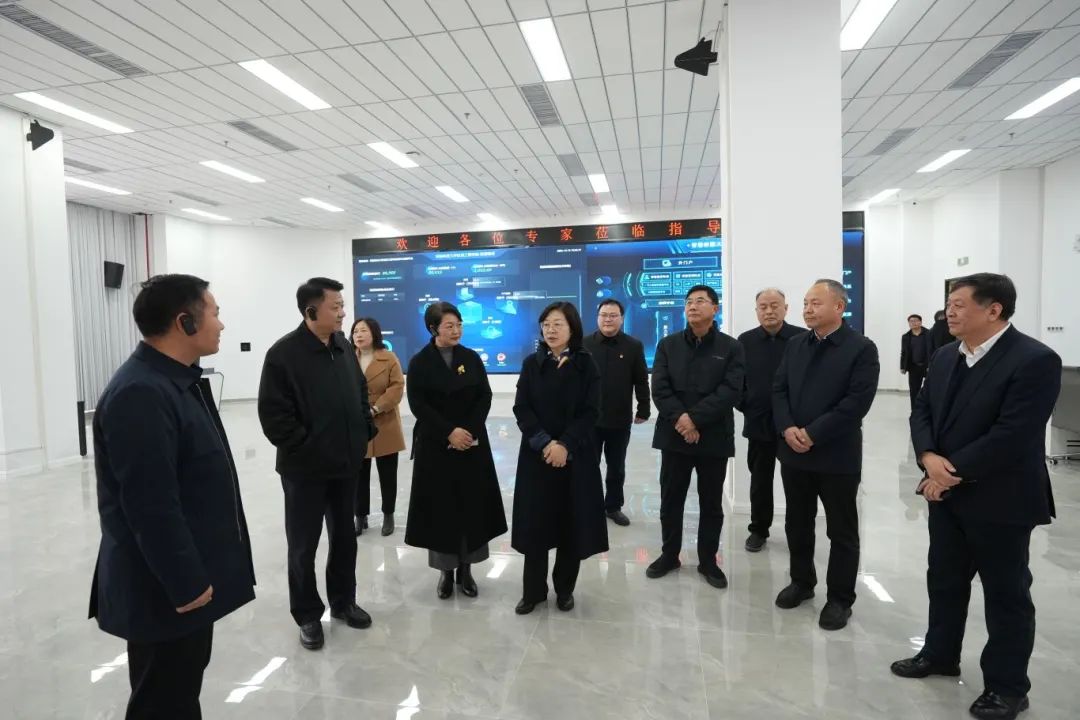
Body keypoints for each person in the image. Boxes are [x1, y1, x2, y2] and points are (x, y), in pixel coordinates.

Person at [891, 274, 1061, 720]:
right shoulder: (946, 355)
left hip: (1001, 498)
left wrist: (948, 473)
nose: (949, 311)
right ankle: (940, 654)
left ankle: (1007, 687)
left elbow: (1013, 434)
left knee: (1006, 594)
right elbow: (922, 410)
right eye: (949, 303)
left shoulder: (1035, 360)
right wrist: (928, 457)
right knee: (945, 580)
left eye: (960, 304)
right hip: (945, 494)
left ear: (994, 310)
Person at [89, 274, 255, 719]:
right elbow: (151, 507)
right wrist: (186, 583)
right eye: (215, 313)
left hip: (181, 581)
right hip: (163, 590)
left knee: (179, 693)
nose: (221, 324)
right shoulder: (141, 393)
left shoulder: (175, 382)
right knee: (162, 701)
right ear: (185, 322)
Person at [258, 277, 373, 651]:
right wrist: (309, 449)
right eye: (335, 307)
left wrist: (364, 430)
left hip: (344, 464)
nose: (343, 314)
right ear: (311, 311)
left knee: (344, 539)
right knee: (303, 546)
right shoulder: (283, 355)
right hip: (304, 471)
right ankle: (307, 614)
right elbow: (274, 417)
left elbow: (359, 391)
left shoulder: (342, 346)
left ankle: (343, 602)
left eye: (342, 306)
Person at [772, 279, 879, 630]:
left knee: (841, 530)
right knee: (797, 522)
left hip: (837, 456)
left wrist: (814, 433)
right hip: (794, 453)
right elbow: (779, 389)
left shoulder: (861, 348)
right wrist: (788, 427)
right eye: (805, 303)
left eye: (815, 303)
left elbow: (856, 403)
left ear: (839, 306)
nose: (807, 309)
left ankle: (840, 599)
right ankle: (802, 582)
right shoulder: (795, 345)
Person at [404, 302, 507, 600]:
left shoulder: (471, 358)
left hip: (471, 445)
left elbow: (484, 396)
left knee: (471, 506)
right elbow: (418, 404)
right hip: (436, 446)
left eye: (459, 325)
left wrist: (468, 431)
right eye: (449, 325)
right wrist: (449, 431)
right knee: (440, 510)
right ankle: (445, 572)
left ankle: (467, 570)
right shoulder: (420, 362)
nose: (456, 330)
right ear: (433, 328)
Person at [646, 285, 745, 589]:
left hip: (713, 436)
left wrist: (695, 419)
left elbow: (731, 390)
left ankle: (708, 560)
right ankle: (669, 555)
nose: (693, 306)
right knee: (670, 499)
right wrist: (681, 419)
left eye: (700, 301)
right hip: (674, 435)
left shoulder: (731, 347)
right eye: (689, 301)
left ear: (715, 308)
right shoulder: (668, 344)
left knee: (711, 503)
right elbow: (660, 387)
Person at [512, 301, 608, 614]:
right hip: (536, 456)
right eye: (546, 324)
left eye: (558, 324)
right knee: (536, 525)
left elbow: (590, 411)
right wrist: (545, 443)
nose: (551, 330)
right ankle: (533, 592)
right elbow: (522, 408)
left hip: (575, 456)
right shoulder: (531, 363)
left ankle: (565, 589)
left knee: (571, 523)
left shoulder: (586, 364)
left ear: (572, 329)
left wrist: (564, 445)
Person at [736, 288, 804, 552]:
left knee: (796, 483)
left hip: (795, 427)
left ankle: (796, 531)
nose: (769, 311)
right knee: (760, 481)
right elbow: (736, 382)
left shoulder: (802, 338)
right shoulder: (745, 341)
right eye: (763, 306)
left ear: (786, 308)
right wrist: (747, 405)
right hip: (759, 423)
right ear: (756, 311)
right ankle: (758, 530)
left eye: (775, 305)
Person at [582, 299, 650, 527]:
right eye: (604, 315)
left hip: (619, 419)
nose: (608, 319)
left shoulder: (633, 346)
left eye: (613, 315)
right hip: (588, 420)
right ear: (597, 318)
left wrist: (644, 407)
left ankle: (613, 506)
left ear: (621, 318)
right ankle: (589, 505)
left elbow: (641, 379)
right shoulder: (583, 344)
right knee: (588, 466)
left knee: (616, 467)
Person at [351, 317, 406, 537]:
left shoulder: (389, 358)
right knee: (358, 475)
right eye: (355, 331)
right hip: (357, 423)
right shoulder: (347, 358)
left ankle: (388, 514)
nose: (359, 335)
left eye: (363, 330)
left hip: (385, 421)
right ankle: (360, 515)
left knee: (387, 474)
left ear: (374, 333)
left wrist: (376, 408)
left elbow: (397, 387)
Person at [901, 313, 932, 409]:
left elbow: (933, 350)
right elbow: (904, 352)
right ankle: (915, 411)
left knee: (930, 389)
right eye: (911, 321)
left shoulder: (929, 334)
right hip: (913, 366)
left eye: (915, 321)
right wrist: (902, 366)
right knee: (914, 391)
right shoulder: (906, 336)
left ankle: (929, 409)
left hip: (927, 366)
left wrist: (932, 364)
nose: (913, 323)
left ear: (920, 322)